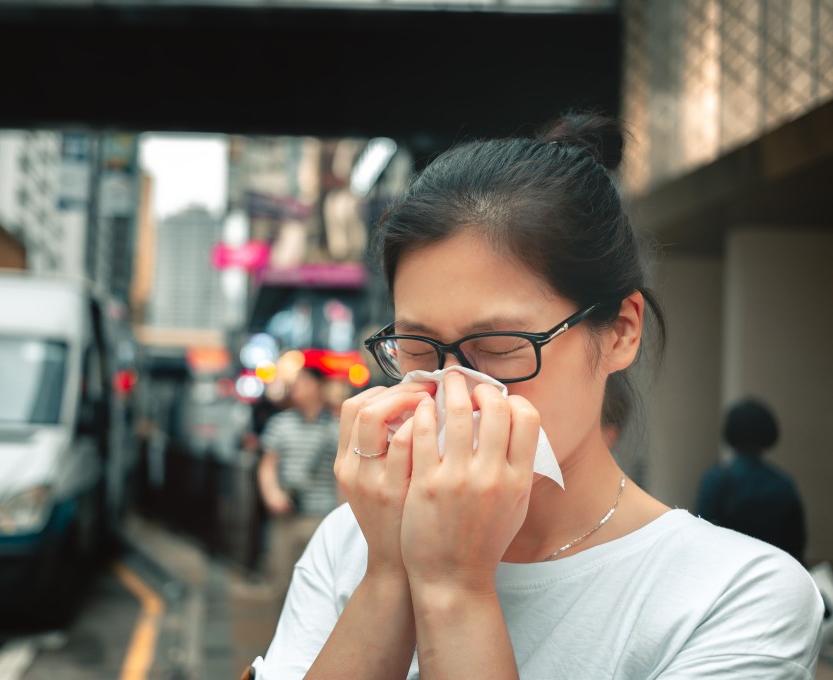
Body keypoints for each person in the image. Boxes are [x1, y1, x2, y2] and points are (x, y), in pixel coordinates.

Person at [250, 111, 823, 678]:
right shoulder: (354, 542)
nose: (455, 388)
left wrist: (455, 586)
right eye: (418, 348)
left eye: (499, 347)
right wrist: (389, 573)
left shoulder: (735, 594)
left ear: (621, 331)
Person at [256, 366, 341, 598]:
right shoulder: (280, 423)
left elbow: (342, 475)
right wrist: (272, 495)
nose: (294, 387)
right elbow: (267, 466)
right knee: (281, 582)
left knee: (319, 586)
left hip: (322, 518)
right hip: (286, 516)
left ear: (317, 386)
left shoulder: (337, 426)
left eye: (301, 382)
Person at [695, 397, 808, 564]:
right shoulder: (782, 484)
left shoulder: (715, 480)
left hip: (726, 572)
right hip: (772, 571)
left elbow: (702, 535)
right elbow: (796, 545)